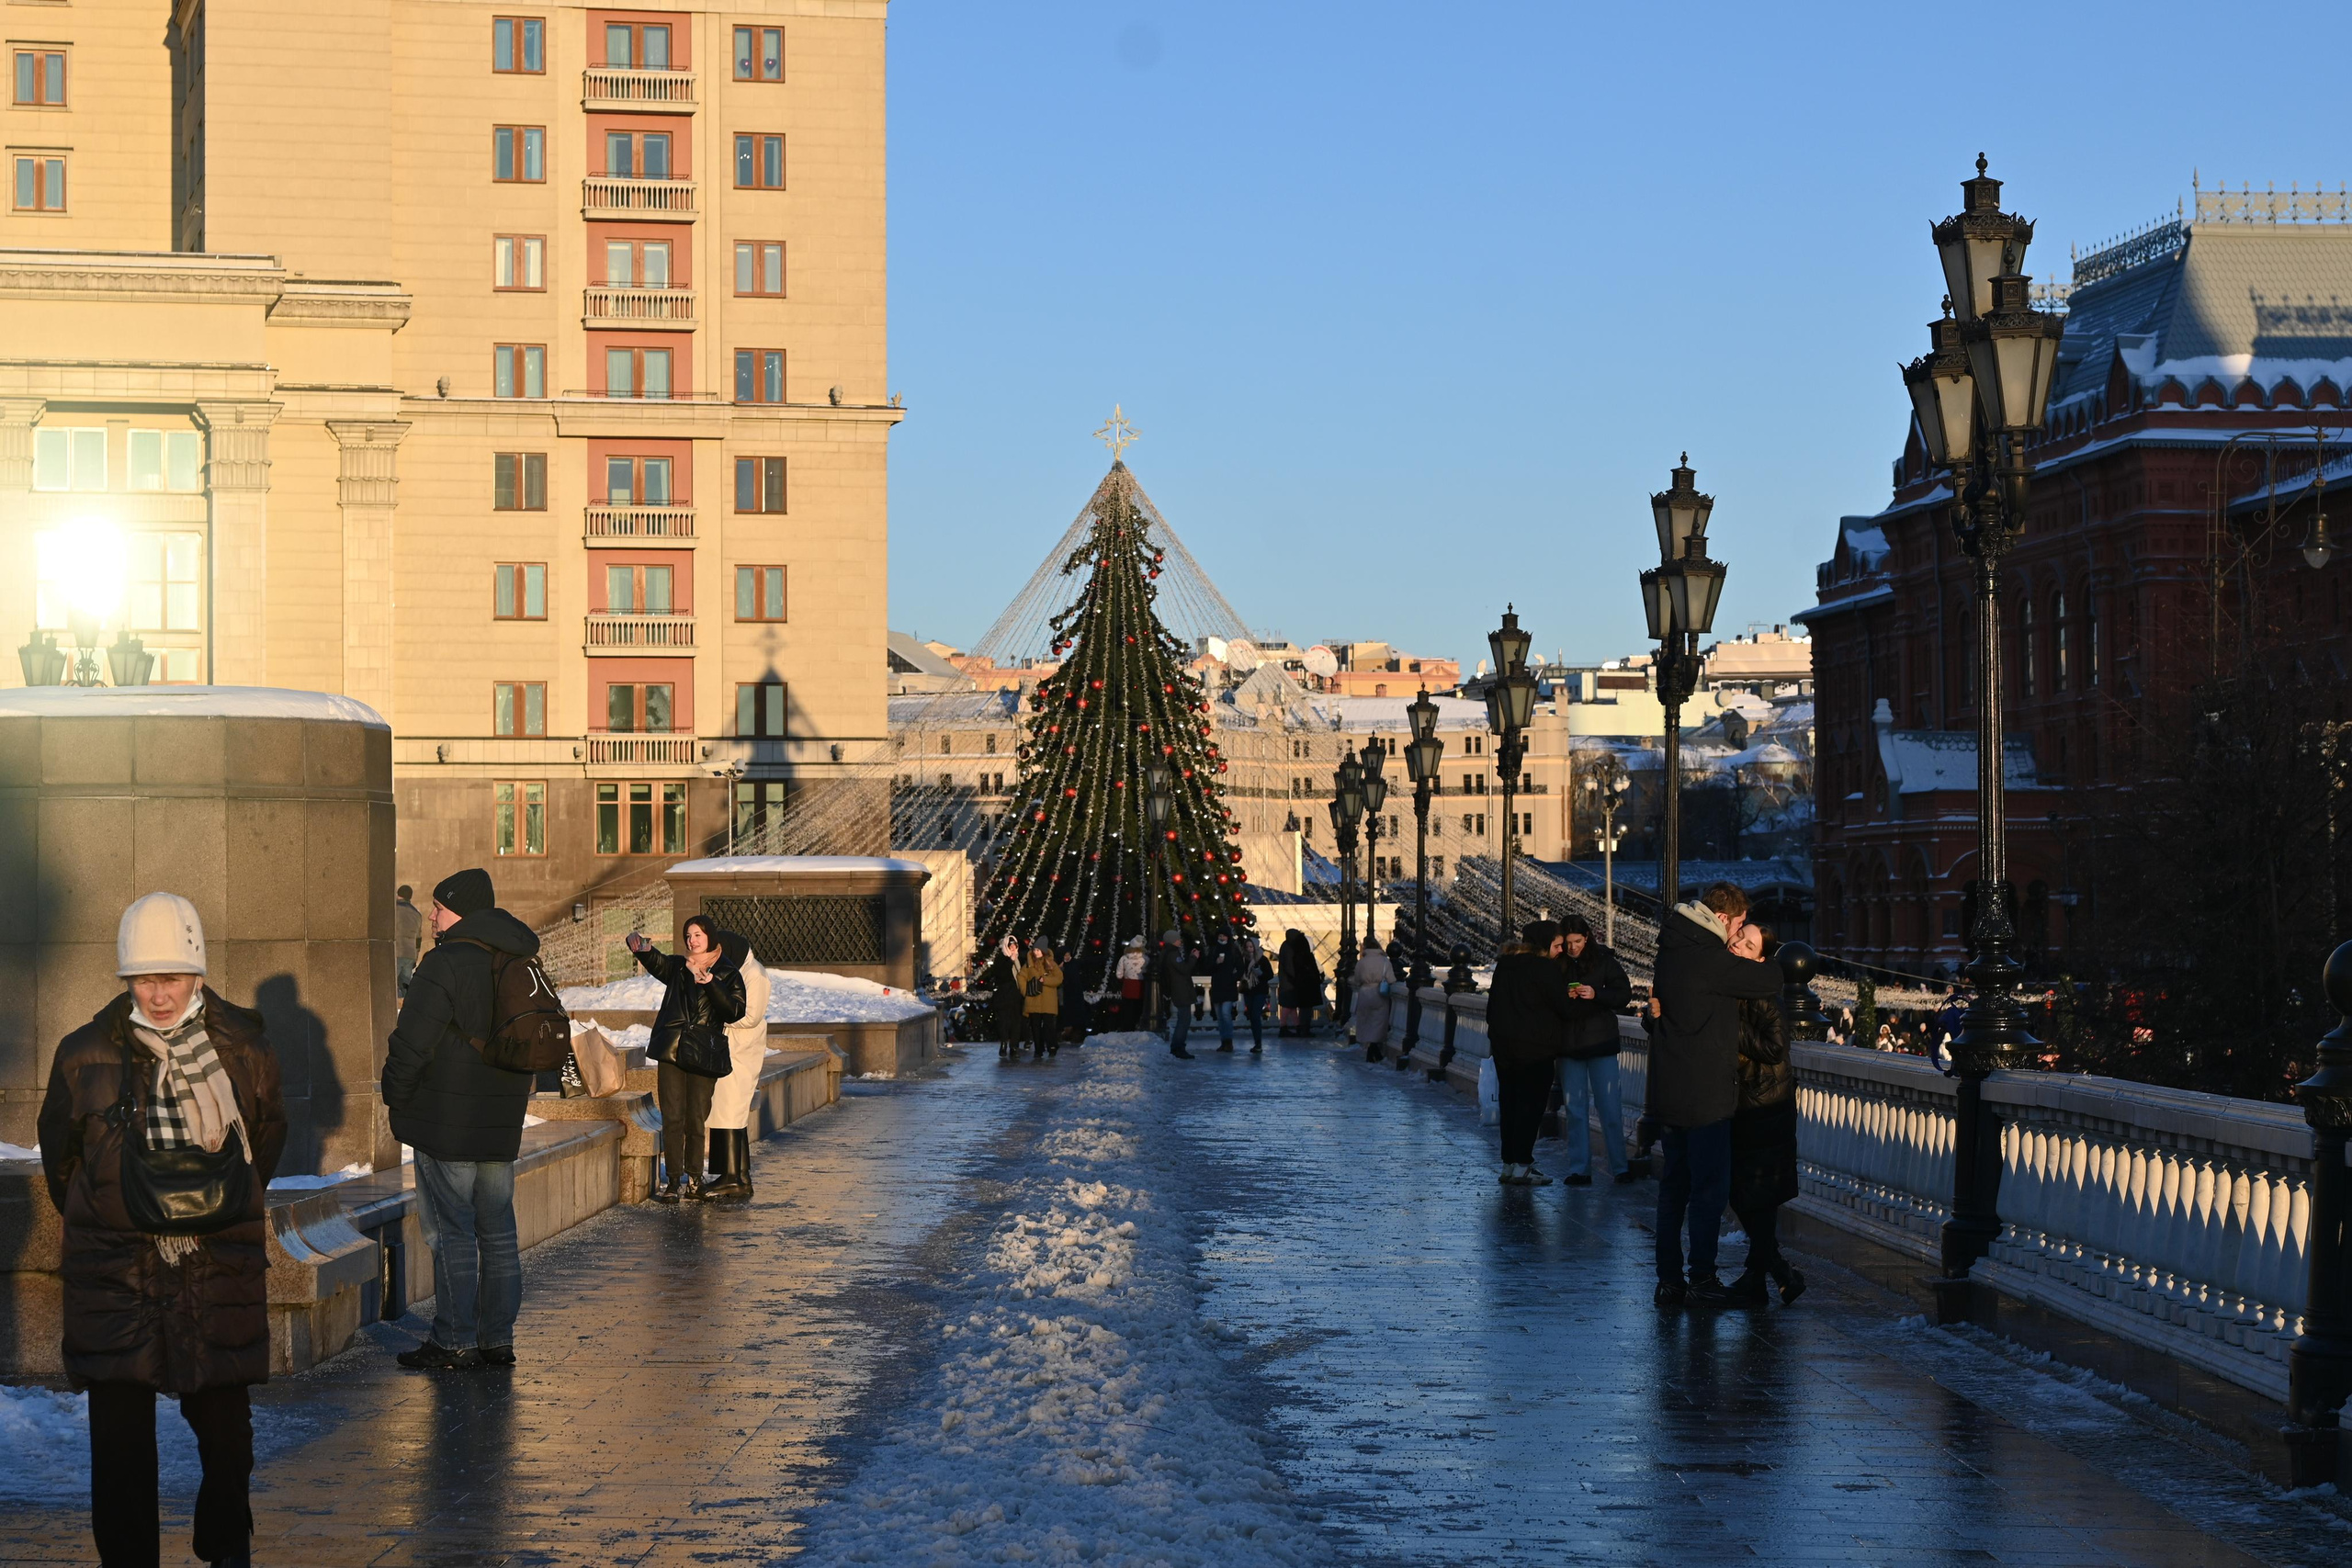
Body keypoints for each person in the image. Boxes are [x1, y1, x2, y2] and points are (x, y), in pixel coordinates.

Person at [39, 892, 287, 1568]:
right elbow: (62, 1160)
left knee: (227, 1440)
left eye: (170, 976)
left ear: (197, 974)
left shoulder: (244, 1048)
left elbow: (262, 1145)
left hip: (215, 1265)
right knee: (120, 1450)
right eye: (144, 978)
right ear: (125, 979)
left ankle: (226, 1546)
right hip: (116, 1272)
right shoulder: (82, 1053)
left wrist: (208, 1209)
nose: (157, 993)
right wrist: (120, 1217)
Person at [384, 867, 542, 1368]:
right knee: (497, 1230)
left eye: (440, 906)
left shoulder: (444, 963)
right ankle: (497, 1338)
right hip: (499, 1122)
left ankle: (454, 1338)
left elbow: (412, 1042)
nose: (432, 915)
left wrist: (396, 1095)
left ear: (463, 911)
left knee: (451, 1230)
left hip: (446, 1120)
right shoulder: (518, 958)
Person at [1648, 881, 1781, 1307]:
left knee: (1673, 1190)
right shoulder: (1708, 957)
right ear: (1723, 918)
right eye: (1739, 926)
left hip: (1669, 1090)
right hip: (1705, 1095)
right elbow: (1772, 977)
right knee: (1708, 1191)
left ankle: (1669, 1281)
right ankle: (1702, 1278)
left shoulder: (1671, 948)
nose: (1736, 936)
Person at [627, 915, 749, 1202]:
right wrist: (642, 949)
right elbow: (660, 963)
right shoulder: (680, 967)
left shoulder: (728, 972)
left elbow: (735, 1010)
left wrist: (710, 983)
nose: (692, 941)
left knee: (696, 1117)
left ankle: (695, 1179)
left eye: (698, 935)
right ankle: (672, 1182)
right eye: (689, 936)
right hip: (672, 1049)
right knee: (673, 1116)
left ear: (710, 937)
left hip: (704, 1052)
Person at [1727, 922, 1804, 1305]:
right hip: (1748, 1101)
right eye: (1740, 937)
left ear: (1761, 957)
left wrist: (1731, 1025)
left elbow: (1775, 1047)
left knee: (1754, 1193)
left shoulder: (1762, 991)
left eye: (1749, 943)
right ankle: (1774, 1272)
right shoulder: (1737, 983)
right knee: (1745, 1193)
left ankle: (1760, 1276)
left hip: (1764, 1105)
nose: (1739, 943)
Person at [1484, 920, 1573, 1186]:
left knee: (1509, 1104)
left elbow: (1493, 1006)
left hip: (1504, 1047)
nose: (1560, 951)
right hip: (1535, 1049)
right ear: (1545, 943)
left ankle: (1509, 1163)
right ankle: (1523, 1163)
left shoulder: (1505, 965)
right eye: (1557, 945)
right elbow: (1563, 1009)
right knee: (1530, 1106)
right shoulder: (1545, 968)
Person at [1554, 913, 1635, 1186]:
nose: (1573, 947)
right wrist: (1563, 996)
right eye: (1567, 943)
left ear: (1586, 938)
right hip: (1570, 1043)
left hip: (1600, 1042)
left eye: (1577, 941)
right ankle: (1580, 1169)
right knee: (1575, 1109)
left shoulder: (1604, 960)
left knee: (1610, 1107)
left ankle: (1620, 1167)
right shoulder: (1557, 964)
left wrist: (1596, 994)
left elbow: (1624, 994)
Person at [703, 939, 773, 1203]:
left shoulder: (754, 973)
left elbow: (750, 1015)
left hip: (741, 1049)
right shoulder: (741, 970)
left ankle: (731, 1177)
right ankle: (737, 1175)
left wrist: (720, 1010)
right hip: (733, 1048)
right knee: (728, 1111)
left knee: (730, 1112)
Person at [1018, 939, 1063, 1058]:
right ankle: (1038, 1049)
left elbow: (1059, 978)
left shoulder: (1051, 964)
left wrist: (1046, 981)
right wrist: (1025, 991)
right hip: (1033, 999)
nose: (1036, 952)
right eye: (1034, 950)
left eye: (1038, 950)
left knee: (1049, 1025)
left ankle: (1052, 1046)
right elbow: (1021, 977)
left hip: (1048, 1001)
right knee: (1035, 1026)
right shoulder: (1028, 964)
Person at [1353, 937, 1395, 1055]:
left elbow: (1357, 980)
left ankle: (1368, 1044)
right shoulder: (1385, 962)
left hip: (1365, 993)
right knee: (1379, 1020)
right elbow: (1391, 979)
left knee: (1365, 1019)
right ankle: (1374, 1045)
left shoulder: (1362, 962)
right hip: (1379, 993)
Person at [1276, 928, 1321, 1035]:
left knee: (1291, 1005)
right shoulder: (1290, 948)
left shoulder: (1286, 946)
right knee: (1289, 1005)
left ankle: (1296, 1026)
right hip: (1290, 982)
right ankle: (1285, 1027)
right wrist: (1295, 978)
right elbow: (1290, 966)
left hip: (1289, 981)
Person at [988, 935, 1025, 1061]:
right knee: (1004, 1021)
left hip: (1015, 996)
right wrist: (1010, 961)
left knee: (1016, 1022)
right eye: (1011, 946)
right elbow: (1000, 974)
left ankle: (1014, 1047)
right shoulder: (1001, 958)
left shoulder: (1019, 959)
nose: (1013, 948)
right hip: (1003, 996)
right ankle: (1004, 1043)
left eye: (1015, 946)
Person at [1159, 929, 1195, 1058]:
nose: (1180, 941)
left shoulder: (1166, 953)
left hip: (1177, 990)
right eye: (1178, 939)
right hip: (1181, 991)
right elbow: (1184, 969)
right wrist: (1193, 958)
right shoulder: (1173, 954)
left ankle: (1178, 1047)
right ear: (1173, 940)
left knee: (1184, 1019)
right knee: (1184, 1020)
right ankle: (1178, 1047)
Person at [1208, 936, 1246, 1052]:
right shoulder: (1214, 949)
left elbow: (1240, 968)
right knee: (1220, 1017)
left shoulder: (1233, 950)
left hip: (1228, 987)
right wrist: (1216, 963)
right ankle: (1223, 1041)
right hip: (1217, 987)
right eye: (1219, 936)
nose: (1221, 938)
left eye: (1224, 935)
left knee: (1225, 1013)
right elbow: (1208, 967)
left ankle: (1228, 1041)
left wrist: (1233, 978)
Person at [1238, 934, 1271, 1054]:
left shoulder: (1262, 959)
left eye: (1251, 947)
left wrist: (1260, 973)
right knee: (1252, 1016)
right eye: (1247, 947)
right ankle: (1257, 1042)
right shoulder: (1243, 959)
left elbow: (1270, 975)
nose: (1249, 949)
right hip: (1248, 991)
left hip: (1259, 991)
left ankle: (1258, 1043)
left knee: (1255, 1015)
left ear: (1255, 947)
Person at [394, 883, 424, 998]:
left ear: (398, 894)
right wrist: (415, 956)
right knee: (406, 986)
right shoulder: (417, 914)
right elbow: (418, 938)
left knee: (390, 984)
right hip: (410, 954)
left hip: (396, 951)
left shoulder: (393, 910)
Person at [1114, 937, 1148, 1031]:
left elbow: (1119, 974)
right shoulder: (1145, 959)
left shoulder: (1124, 958)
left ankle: (1127, 1028)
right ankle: (1138, 1027)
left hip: (1128, 987)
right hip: (1141, 987)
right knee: (1139, 1009)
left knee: (1127, 1011)